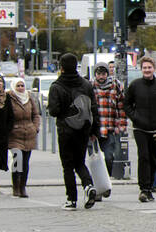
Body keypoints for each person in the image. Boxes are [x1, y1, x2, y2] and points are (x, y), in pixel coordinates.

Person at [46, 53, 100, 210]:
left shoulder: (57, 86)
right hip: (83, 129)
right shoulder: (86, 85)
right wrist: (94, 130)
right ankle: (88, 185)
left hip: (65, 129)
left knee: (68, 165)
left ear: (61, 67)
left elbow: (54, 110)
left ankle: (72, 199)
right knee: (80, 162)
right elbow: (93, 109)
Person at [123, 55, 156, 203]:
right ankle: (144, 189)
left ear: (154, 68)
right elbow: (127, 104)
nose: (147, 70)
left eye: (149, 67)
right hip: (140, 128)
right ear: (141, 69)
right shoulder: (135, 85)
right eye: (144, 68)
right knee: (143, 157)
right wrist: (135, 117)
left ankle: (151, 186)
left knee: (154, 159)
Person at [8, 77, 40, 198]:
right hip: (15, 134)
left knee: (25, 163)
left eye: (22, 86)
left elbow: (36, 114)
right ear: (13, 87)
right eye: (18, 86)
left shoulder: (29, 97)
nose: (20, 88)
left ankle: (23, 187)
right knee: (17, 160)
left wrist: (35, 127)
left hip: (29, 134)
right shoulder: (9, 98)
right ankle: (15, 186)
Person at [93, 64, 127, 173]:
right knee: (94, 158)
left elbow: (121, 106)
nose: (101, 77)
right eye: (99, 74)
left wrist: (121, 125)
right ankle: (97, 179)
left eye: (103, 74)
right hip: (94, 129)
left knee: (109, 157)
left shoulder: (115, 85)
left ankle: (107, 176)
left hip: (109, 129)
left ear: (107, 74)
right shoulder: (90, 86)